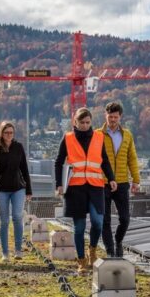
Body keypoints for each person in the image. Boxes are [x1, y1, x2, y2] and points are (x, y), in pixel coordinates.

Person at [55, 107, 117, 274]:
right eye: (81, 122)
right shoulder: (67, 138)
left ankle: (93, 251)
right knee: (80, 226)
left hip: (96, 186)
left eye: (88, 122)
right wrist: (58, 184)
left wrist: (111, 178)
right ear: (75, 122)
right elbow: (58, 162)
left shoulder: (98, 137)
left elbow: (104, 160)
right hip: (75, 188)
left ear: (91, 122)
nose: (85, 125)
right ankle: (81, 261)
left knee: (98, 221)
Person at [98, 101, 141, 258]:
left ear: (120, 117)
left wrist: (136, 180)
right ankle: (110, 252)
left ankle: (118, 241)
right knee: (105, 220)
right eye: (110, 117)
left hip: (122, 181)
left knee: (125, 218)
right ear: (105, 115)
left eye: (115, 117)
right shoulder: (98, 135)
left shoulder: (127, 135)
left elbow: (132, 159)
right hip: (102, 182)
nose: (113, 120)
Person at [0, 121, 33, 262]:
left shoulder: (18, 147)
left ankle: (18, 250)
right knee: (4, 221)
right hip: (1, 190)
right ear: (1, 133)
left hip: (18, 188)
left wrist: (29, 189)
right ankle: (5, 253)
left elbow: (24, 169)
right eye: (6, 132)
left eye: (11, 132)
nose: (9, 135)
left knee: (17, 217)